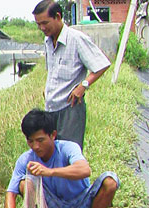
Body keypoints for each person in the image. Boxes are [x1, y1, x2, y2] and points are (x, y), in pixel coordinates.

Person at [4, 109, 119, 208]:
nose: (35, 146)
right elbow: (11, 192)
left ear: (53, 135)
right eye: (31, 141)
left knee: (110, 181)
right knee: (25, 184)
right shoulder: (25, 159)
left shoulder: (68, 148)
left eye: (40, 140)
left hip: (81, 203)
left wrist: (49, 172)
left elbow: (84, 170)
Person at [33, 0, 111, 149]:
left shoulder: (76, 39)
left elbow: (102, 64)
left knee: (69, 152)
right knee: (51, 152)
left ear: (58, 16)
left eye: (45, 23)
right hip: (50, 107)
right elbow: (52, 70)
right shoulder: (48, 41)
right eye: (38, 24)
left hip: (70, 108)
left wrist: (83, 86)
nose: (42, 28)